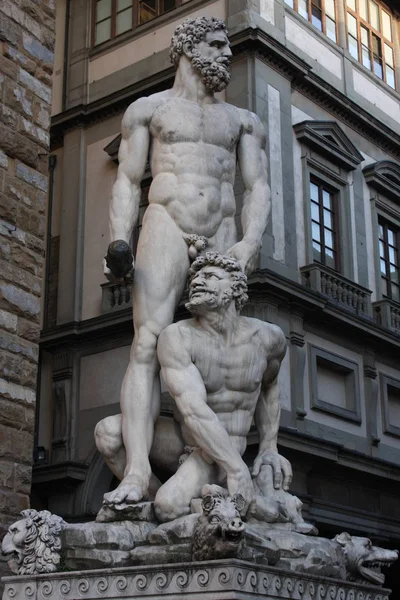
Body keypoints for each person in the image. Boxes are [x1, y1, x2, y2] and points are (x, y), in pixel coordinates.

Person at [102, 16, 271, 505]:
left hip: (221, 230)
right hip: (166, 224)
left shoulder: (243, 121)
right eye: (217, 45)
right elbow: (128, 182)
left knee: (221, 345)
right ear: (189, 47)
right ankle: (135, 472)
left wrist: (248, 244)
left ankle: (221, 464)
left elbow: (258, 187)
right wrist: (119, 242)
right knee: (146, 343)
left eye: (227, 47)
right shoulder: (148, 111)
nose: (226, 54)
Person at [96, 253, 291, 521]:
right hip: (185, 437)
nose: (198, 281)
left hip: (224, 447)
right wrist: (238, 470)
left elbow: (269, 387)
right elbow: (194, 410)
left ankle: (181, 502)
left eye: (210, 276)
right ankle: (150, 500)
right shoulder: (177, 337)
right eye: (195, 277)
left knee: (170, 507)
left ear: (235, 287)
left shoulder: (269, 339)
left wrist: (269, 447)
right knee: (107, 433)